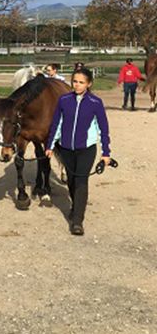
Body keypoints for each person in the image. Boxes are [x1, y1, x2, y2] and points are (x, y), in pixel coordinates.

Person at [45, 67, 111, 236]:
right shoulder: (64, 100)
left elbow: (103, 129)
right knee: (72, 181)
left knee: (81, 182)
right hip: (66, 148)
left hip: (86, 149)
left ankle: (77, 221)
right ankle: (76, 207)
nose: (77, 85)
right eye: (75, 81)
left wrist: (106, 153)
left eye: (81, 82)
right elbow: (57, 124)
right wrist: (50, 146)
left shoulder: (96, 103)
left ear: (89, 84)